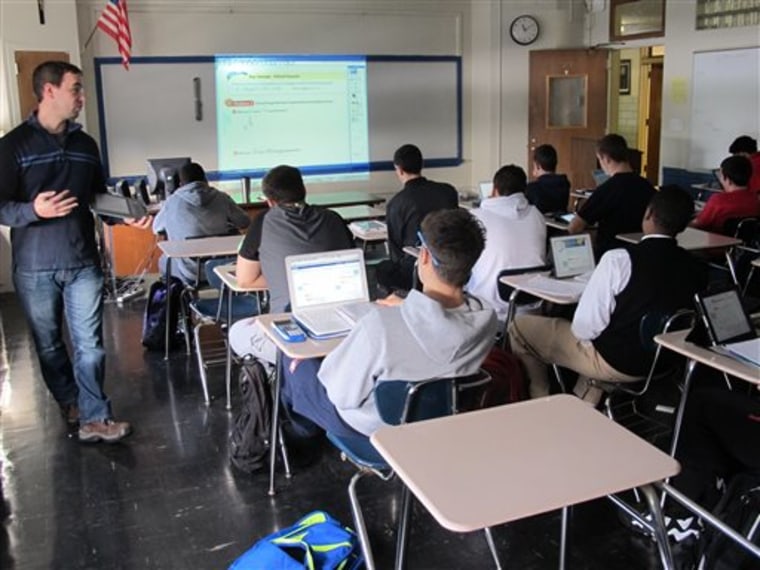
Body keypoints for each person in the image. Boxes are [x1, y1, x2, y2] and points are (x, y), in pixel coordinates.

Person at [0, 61, 152, 442]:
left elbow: (97, 197)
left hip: (83, 261)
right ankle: (71, 401)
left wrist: (125, 217)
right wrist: (33, 210)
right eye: (76, 90)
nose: (82, 98)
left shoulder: (86, 145)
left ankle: (95, 417)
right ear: (48, 91)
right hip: (34, 267)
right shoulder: (13, 146)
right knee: (50, 345)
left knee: (91, 345)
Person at [279, 208, 498, 438]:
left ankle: (298, 433)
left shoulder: (378, 326)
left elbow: (339, 395)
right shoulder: (486, 319)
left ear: (423, 256)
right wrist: (407, 307)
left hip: (372, 428)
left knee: (294, 358)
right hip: (439, 422)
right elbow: (440, 328)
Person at [510, 186, 707, 403]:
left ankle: (540, 396)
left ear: (648, 214)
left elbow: (583, 329)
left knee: (519, 327)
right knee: (609, 330)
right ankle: (585, 398)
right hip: (665, 361)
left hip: (617, 362)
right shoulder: (698, 267)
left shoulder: (619, 260)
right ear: (685, 224)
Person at [228, 165, 353, 363]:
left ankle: (276, 373)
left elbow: (244, 281)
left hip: (292, 334)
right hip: (345, 331)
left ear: (270, 201)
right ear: (304, 191)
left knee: (237, 331)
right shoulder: (333, 218)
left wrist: (286, 278)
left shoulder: (264, 221)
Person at [466, 164, 546, 322]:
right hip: (532, 305)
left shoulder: (476, 217)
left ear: (494, 190)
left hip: (488, 308)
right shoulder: (537, 215)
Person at [376, 144, 458, 293]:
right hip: (452, 265)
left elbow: (396, 249)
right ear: (422, 165)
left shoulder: (397, 203)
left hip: (415, 270)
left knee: (382, 268)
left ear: (399, 169)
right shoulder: (448, 191)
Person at [152, 161, 250, 285]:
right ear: (205, 179)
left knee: (163, 260)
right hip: (221, 269)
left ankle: (177, 301)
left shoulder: (172, 202)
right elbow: (245, 222)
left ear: (181, 184)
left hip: (189, 271)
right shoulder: (222, 197)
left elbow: (156, 228)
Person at [568, 134, 656, 258]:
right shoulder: (647, 187)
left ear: (606, 159)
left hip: (611, 256)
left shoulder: (607, 190)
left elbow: (575, 227)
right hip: (642, 255)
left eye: (599, 159)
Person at [691, 155, 759, 234]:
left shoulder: (718, 200)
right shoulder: (755, 199)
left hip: (716, 244)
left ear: (727, 179)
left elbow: (699, 224)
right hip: (742, 245)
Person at [525, 144, 571, 214]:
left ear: (538, 166)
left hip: (539, 223)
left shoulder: (532, 188)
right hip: (558, 223)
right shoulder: (564, 183)